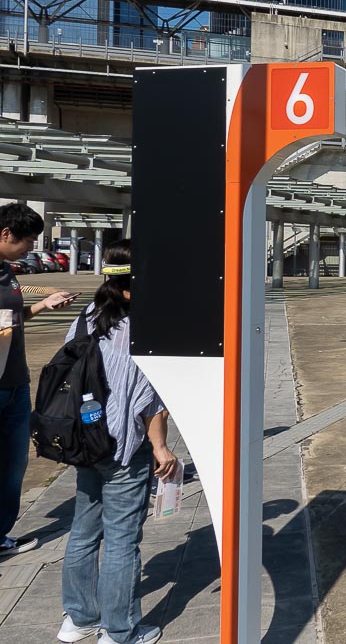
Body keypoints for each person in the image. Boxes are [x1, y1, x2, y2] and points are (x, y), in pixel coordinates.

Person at [56, 240, 178, 644]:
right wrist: (160, 446)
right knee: (123, 539)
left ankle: (78, 619)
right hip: (124, 445)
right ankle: (120, 631)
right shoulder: (144, 325)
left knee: (84, 531)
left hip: (83, 439)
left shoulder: (87, 317)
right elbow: (148, 399)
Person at [0, 203, 77, 559]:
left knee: (14, 463)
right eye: (27, 242)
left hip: (14, 382)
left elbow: (11, 319)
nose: (30, 249)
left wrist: (43, 305)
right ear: (5, 234)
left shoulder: (6, 271)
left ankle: (1, 535)